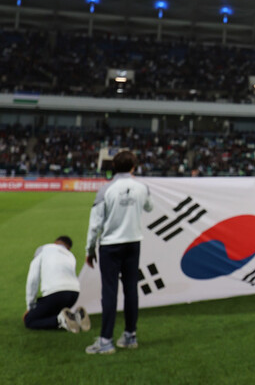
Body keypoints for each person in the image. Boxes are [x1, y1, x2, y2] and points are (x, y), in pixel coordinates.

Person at [84, 150, 153, 355]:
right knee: (131, 289)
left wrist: (89, 249)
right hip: (133, 243)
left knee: (110, 291)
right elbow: (149, 207)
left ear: (113, 166)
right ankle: (130, 335)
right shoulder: (142, 188)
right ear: (134, 167)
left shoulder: (106, 190)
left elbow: (94, 225)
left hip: (111, 245)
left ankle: (106, 340)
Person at [23, 235, 90, 333]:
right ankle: (76, 317)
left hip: (55, 293)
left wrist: (30, 307)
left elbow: (33, 279)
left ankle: (60, 321)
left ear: (55, 242)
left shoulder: (44, 250)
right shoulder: (70, 256)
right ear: (68, 248)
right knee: (50, 311)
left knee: (29, 320)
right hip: (74, 294)